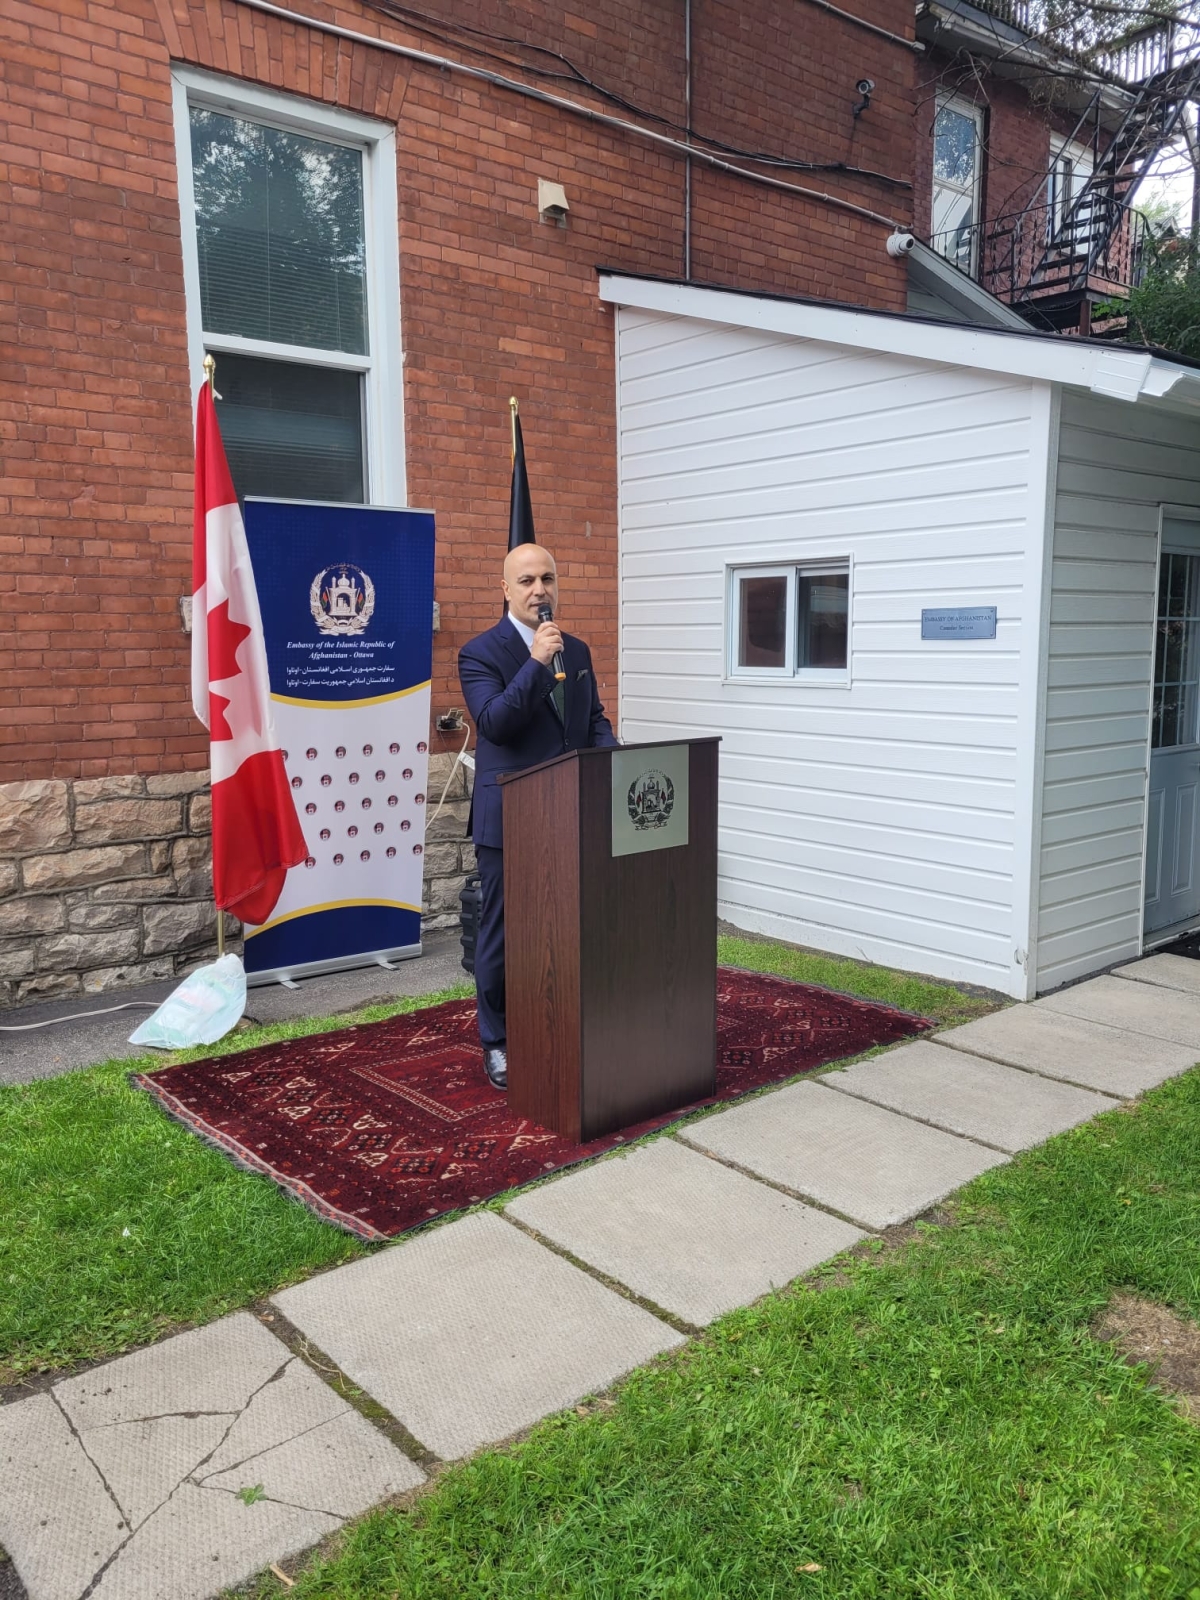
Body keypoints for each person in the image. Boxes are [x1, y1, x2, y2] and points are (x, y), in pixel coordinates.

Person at [458, 544, 618, 1088]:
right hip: (510, 817)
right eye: (526, 580)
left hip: (570, 810)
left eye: (547, 578)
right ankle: (498, 1040)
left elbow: (592, 719)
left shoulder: (577, 649)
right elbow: (495, 723)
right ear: (505, 590)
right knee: (504, 932)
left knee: (567, 926)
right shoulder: (480, 652)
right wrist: (535, 663)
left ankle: (561, 1019)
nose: (539, 590)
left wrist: (611, 767)